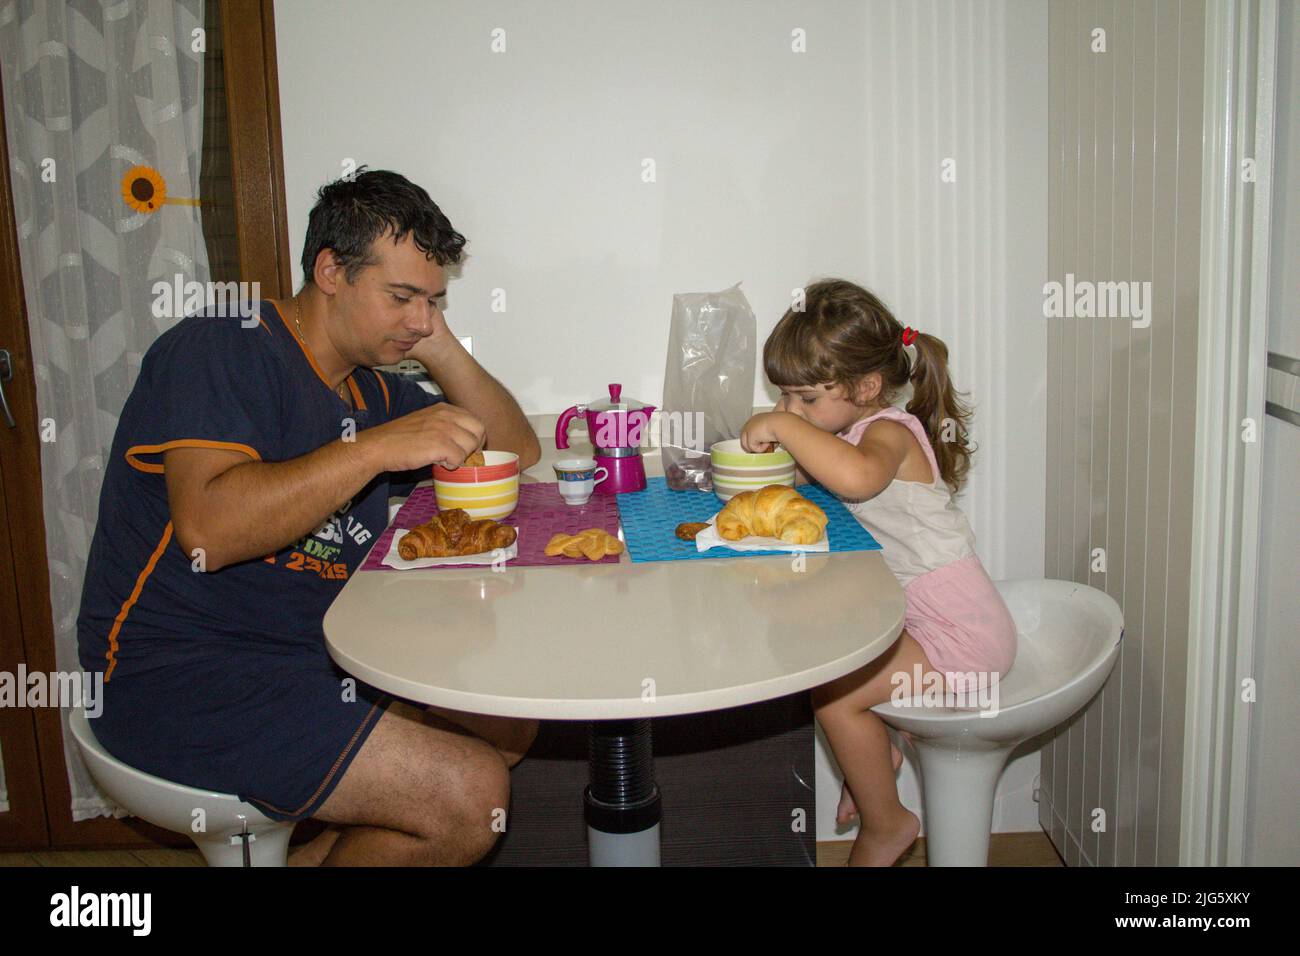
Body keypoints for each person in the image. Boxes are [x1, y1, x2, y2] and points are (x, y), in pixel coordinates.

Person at [77, 168, 541, 865]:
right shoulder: (220, 347)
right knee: (473, 796)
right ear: (330, 271)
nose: (418, 316)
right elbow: (210, 529)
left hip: (307, 656)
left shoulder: (371, 389)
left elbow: (513, 448)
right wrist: (378, 450)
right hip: (173, 676)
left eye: (433, 300)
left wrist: (437, 344)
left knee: (507, 723)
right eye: (401, 296)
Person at [738, 278, 1016, 866]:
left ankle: (887, 824)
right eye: (784, 398)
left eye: (806, 399)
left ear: (866, 388)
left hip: (963, 640)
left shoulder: (889, 433)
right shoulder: (851, 432)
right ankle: (878, 756)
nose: (792, 411)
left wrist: (784, 429)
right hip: (921, 623)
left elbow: (856, 480)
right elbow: (822, 476)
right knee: (826, 645)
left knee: (834, 699)